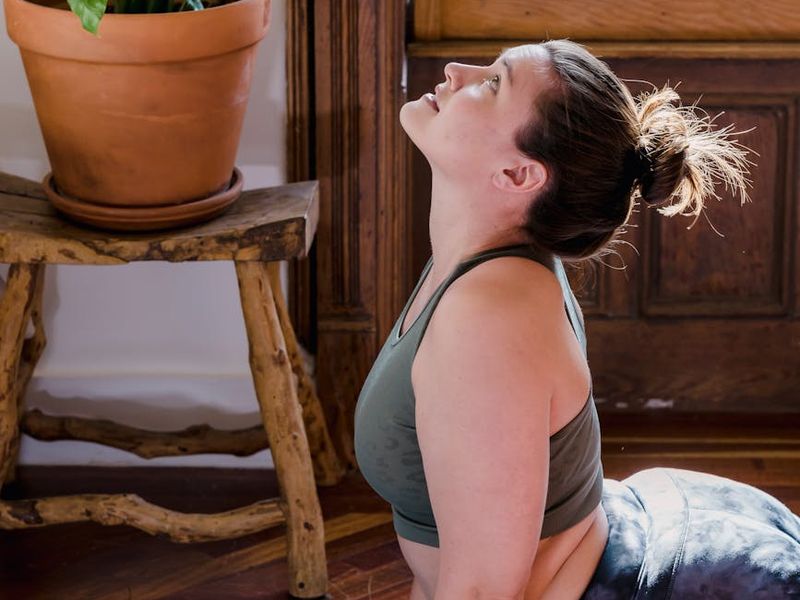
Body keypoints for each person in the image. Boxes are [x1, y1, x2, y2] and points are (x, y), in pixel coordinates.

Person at [354, 39, 800, 600]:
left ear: (519, 174)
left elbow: (484, 590)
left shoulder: (489, 318)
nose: (456, 70)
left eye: (492, 83)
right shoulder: (479, 263)